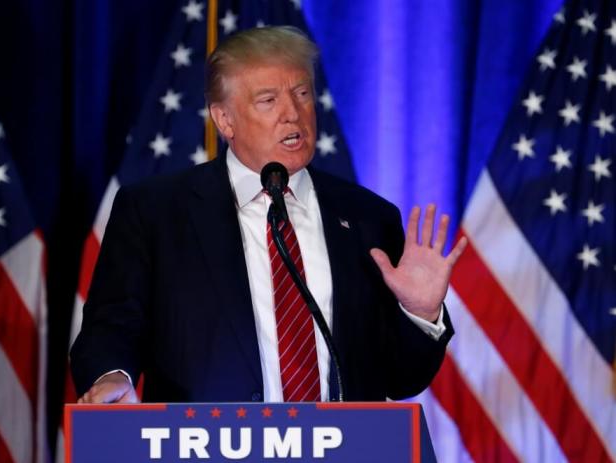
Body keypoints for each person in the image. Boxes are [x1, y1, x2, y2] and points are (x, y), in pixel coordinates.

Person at [71, 25, 467, 404]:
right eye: (268, 100)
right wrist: (112, 377)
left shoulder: (367, 218)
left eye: (302, 94)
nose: (292, 114)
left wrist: (419, 315)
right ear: (224, 119)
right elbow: (111, 328)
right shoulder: (154, 213)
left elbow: (400, 378)